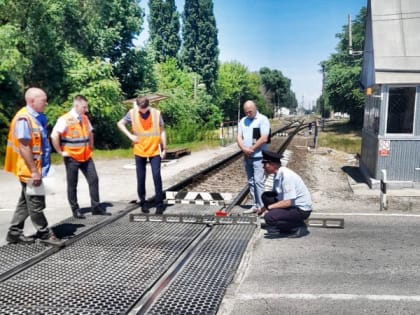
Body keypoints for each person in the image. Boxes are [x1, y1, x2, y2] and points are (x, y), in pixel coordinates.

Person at [4, 87, 63, 246]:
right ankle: (45, 234)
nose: (46, 103)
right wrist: (34, 172)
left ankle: (14, 233)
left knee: (26, 202)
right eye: (43, 100)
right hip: (30, 170)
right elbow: (24, 147)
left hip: (37, 169)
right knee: (36, 204)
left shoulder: (36, 117)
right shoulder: (24, 119)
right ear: (32, 101)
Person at [51, 95, 108, 219]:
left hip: (86, 156)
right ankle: (75, 210)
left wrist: (91, 145)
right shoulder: (64, 119)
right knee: (72, 184)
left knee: (94, 179)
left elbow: (90, 132)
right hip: (72, 157)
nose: (86, 109)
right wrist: (60, 152)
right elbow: (54, 135)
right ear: (76, 106)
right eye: (84, 107)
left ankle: (96, 207)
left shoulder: (85, 118)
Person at [117, 96, 167, 214]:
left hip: (154, 150)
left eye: (145, 110)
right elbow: (120, 123)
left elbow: (163, 131)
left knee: (156, 176)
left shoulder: (156, 114)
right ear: (138, 106)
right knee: (141, 177)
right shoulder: (132, 113)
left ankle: (159, 204)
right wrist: (130, 136)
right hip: (139, 150)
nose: (143, 112)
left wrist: (164, 148)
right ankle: (143, 203)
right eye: (141, 110)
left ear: (149, 105)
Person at [257, 150, 312, 238]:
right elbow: (277, 196)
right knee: (267, 196)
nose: (263, 167)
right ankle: (285, 225)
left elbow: (288, 202)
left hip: (301, 210)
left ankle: (298, 227)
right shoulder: (277, 174)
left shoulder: (286, 176)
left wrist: (269, 208)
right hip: (293, 206)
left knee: (269, 217)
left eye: (265, 164)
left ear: (273, 164)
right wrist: (262, 209)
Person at [237, 100, 270, 214]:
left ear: (255, 108)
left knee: (258, 181)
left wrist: (251, 149)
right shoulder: (243, 121)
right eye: (246, 112)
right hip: (247, 156)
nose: (248, 114)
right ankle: (255, 205)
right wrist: (244, 149)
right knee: (251, 181)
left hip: (259, 156)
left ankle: (262, 206)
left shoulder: (263, 119)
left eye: (250, 112)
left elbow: (264, 138)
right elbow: (239, 137)